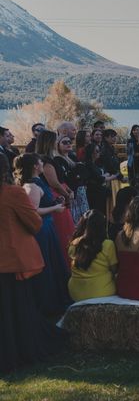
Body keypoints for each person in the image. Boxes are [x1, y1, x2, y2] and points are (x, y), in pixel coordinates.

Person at [0, 154, 65, 372]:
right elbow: (34, 223)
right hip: (12, 258)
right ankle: (21, 348)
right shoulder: (13, 193)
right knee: (19, 306)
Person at [15, 153, 71, 315]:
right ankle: (49, 303)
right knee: (47, 265)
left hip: (48, 227)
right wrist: (55, 208)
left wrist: (55, 201)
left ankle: (59, 298)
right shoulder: (31, 186)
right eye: (40, 161)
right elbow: (34, 211)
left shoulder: (39, 182)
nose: (42, 163)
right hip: (41, 230)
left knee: (55, 262)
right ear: (35, 166)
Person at [35, 130, 75, 264]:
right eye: (55, 140)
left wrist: (68, 189)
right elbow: (54, 183)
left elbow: (61, 180)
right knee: (63, 231)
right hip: (55, 196)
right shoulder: (44, 160)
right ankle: (64, 263)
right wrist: (66, 194)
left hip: (62, 191)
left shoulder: (50, 158)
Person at [68, 210, 118, 302]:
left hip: (76, 293)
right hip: (102, 293)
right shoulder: (108, 245)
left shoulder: (74, 244)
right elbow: (114, 270)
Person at [54, 135, 89, 224]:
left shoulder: (72, 157)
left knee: (84, 220)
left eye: (69, 142)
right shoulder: (57, 160)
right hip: (71, 193)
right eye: (64, 142)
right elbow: (67, 178)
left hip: (80, 192)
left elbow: (83, 174)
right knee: (75, 221)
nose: (68, 144)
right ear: (58, 145)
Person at [84, 142, 118, 214]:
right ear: (91, 153)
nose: (99, 152)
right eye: (97, 151)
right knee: (98, 212)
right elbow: (100, 179)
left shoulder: (94, 163)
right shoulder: (88, 164)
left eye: (99, 150)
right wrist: (114, 176)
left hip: (99, 191)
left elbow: (100, 175)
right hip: (94, 193)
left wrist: (107, 175)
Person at [100, 128, 125, 220]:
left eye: (115, 136)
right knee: (111, 200)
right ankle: (111, 218)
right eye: (112, 136)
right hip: (110, 178)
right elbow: (109, 165)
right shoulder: (105, 149)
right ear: (106, 138)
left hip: (115, 176)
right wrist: (119, 176)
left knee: (115, 198)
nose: (114, 138)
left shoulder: (111, 148)